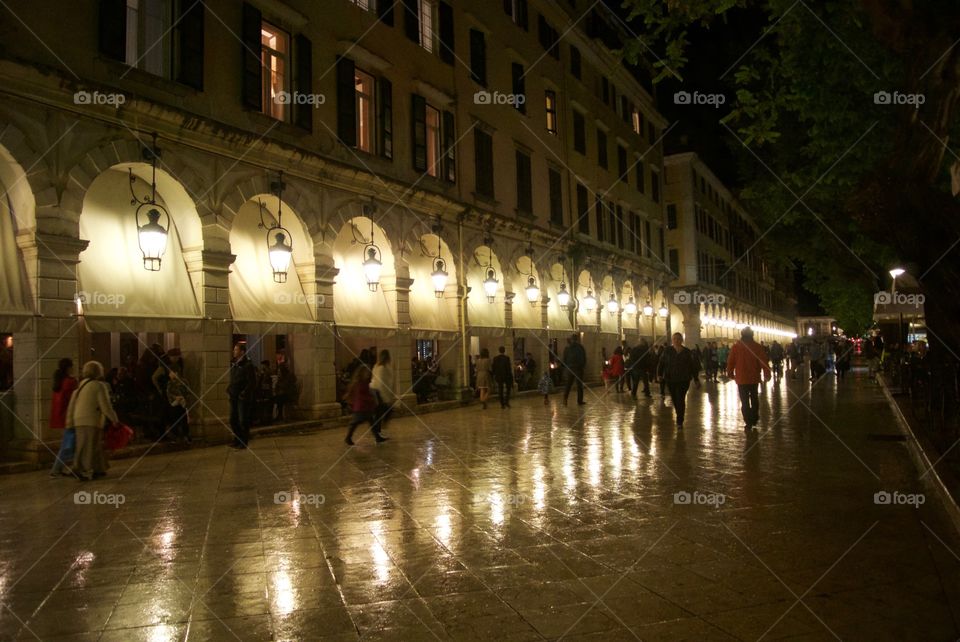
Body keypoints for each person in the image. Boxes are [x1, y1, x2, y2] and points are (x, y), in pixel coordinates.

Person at [65, 361, 118, 481]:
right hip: (92, 419)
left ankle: (99, 468)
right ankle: (83, 470)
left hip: (78, 420)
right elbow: (105, 405)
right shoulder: (99, 386)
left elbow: (72, 404)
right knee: (90, 446)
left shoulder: (80, 385)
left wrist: (69, 421)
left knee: (88, 445)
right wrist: (114, 419)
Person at [727, 327, 772, 430]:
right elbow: (763, 361)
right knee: (754, 398)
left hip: (741, 379)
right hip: (754, 378)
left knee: (744, 401)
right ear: (752, 335)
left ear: (742, 335)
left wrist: (730, 372)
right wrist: (767, 373)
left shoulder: (736, 347)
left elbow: (731, 361)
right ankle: (754, 417)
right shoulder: (757, 347)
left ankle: (748, 421)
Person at [657, 333, 700, 429]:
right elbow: (661, 363)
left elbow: (692, 366)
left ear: (682, 340)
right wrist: (659, 374)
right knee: (675, 399)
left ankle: (680, 420)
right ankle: (679, 413)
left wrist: (696, 379)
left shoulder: (687, 352)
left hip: (683, 379)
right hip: (670, 379)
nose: (676, 340)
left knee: (680, 398)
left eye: (678, 339)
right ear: (672, 340)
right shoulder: (667, 351)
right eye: (674, 339)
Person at [49, 358, 79, 477]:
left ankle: (61, 468)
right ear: (69, 367)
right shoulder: (70, 382)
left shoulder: (58, 381)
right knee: (68, 444)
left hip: (60, 416)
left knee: (68, 443)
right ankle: (56, 469)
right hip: (69, 416)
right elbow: (75, 399)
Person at [344, 366, 387, 445]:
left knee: (371, 422)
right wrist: (371, 399)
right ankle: (348, 438)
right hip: (362, 407)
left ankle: (377, 437)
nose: (367, 374)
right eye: (366, 372)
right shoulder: (360, 383)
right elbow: (362, 395)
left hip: (365, 407)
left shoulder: (363, 382)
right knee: (355, 422)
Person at [227, 343, 257, 449]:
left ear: (242, 352)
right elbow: (234, 378)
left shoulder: (248, 365)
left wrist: (244, 393)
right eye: (234, 349)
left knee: (243, 420)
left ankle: (243, 442)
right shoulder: (234, 364)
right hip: (233, 395)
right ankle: (237, 439)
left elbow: (252, 382)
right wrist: (229, 389)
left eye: (236, 350)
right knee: (232, 419)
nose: (234, 351)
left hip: (242, 397)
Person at [370, 350, 395, 434]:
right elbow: (382, 383)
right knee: (383, 411)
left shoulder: (378, 366)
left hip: (376, 390)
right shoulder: (382, 367)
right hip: (379, 392)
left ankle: (377, 430)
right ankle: (377, 430)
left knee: (379, 413)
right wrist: (386, 397)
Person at [166, 371, 191, 444]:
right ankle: (176, 437)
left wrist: (184, 399)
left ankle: (185, 436)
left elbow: (188, 392)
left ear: (176, 373)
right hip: (175, 404)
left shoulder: (184, 382)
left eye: (171, 373)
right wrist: (175, 398)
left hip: (182, 404)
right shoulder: (170, 383)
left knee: (184, 420)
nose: (170, 375)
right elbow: (168, 393)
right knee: (175, 420)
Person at [562, 334, 587, 406]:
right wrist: (582, 366)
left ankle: (565, 398)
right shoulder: (580, 347)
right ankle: (580, 400)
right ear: (577, 339)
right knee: (579, 385)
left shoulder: (567, 348)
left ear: (571, 339)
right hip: (578, 368)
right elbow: (583, 358)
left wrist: (567, 366)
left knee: (568, 384)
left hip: (570, 368)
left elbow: (564, 359)